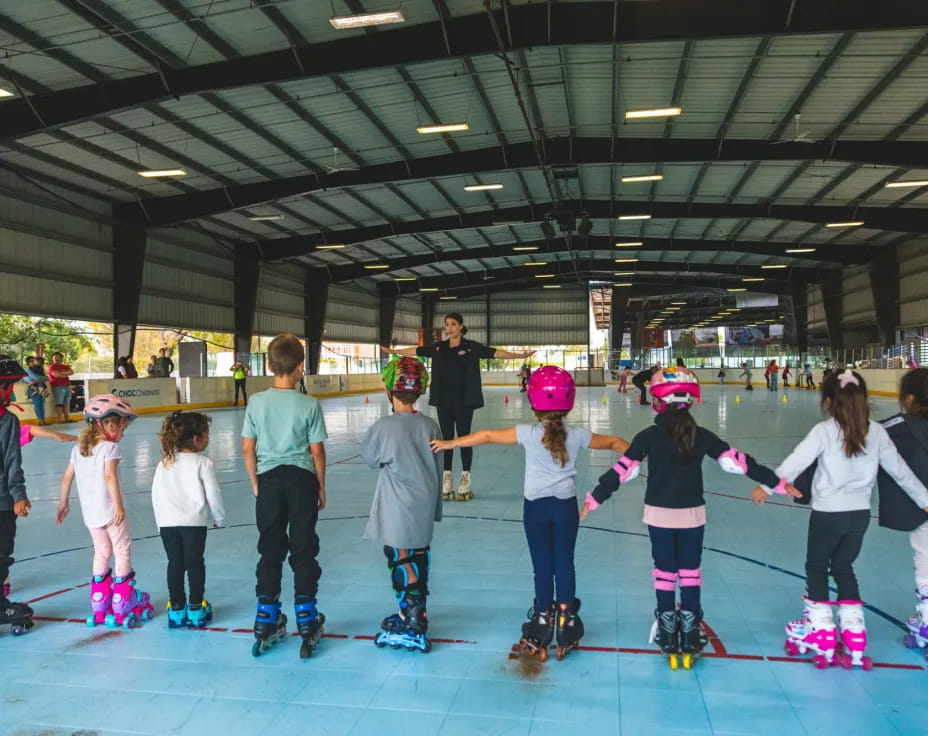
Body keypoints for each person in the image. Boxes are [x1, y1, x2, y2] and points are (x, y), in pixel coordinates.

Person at [581, 366, 790, 669]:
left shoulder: (648, 436)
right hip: (693, 517)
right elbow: (739, 463)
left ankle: (667, 626)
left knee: (664, 572)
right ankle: (690, 628)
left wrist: (594, 498)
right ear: (691, 401)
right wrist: (776, 483)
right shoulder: (700, 435)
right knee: (690, 572)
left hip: (659, 516)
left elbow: (623, 471)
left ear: (657, 400)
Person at [431, 366, 630, 660]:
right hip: (565, 509)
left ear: (534, 402)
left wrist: (450, 443)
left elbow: (486, 435)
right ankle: (566, 620)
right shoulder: (577, 435)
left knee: (542, 567)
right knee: (565, 564)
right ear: (569, 402)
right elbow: (614, 442)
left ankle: (541, 620)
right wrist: (638, 457)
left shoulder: (526, 433)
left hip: (535, 509)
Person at [753, 369, 928, 669]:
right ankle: (855, 632)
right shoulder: (877, 432)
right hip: (858, 516)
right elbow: (901, 472)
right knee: (845, 567)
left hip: (827, 514)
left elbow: (796, 461)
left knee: (817, 567)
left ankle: (821, 629)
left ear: (830, 401)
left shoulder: (824, 431)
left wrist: (767, 486)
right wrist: (925, 501)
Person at [382, 312, 534, 502]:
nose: (450, 328)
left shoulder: (471, 347)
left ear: (461, 326)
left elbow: (495, 352)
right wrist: (394, 352)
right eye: (447, 324)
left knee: (464, 438)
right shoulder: (438, 348)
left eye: (453, 324)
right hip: (444, 401)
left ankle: (465, 478)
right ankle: (447, 478)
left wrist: (521, 355)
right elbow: (417, 350)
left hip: (464, 401)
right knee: (446, 439)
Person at [242, 333, 328, 658]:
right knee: (303, 548)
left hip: (269, 482)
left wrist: (255, 483)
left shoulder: (256, 402)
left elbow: (247, 448)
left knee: (270, 548)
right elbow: (317, 451)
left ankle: (266, 614)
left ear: (268, 365)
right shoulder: (309, 404)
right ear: (301, 367)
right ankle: (306, 615)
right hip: (302, 479)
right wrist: (321, 485)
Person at [361, 357, 442, 653]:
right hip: (424, 505)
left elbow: (370, 458)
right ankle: (417, 611)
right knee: (419, 556)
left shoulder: (384, 426)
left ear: (389, 391)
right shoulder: (430, 425)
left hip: (398, 506)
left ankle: (411, 621)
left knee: (400, 557)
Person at [56, 394, 155, 628]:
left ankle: (99, 603)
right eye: (123, 428)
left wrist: (63, 503)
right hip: (111, 511)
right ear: (110, 424)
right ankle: (122, 602)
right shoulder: (110, 448)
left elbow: (66, 477)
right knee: (121, 550)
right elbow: (110, 476)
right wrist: (119, 505)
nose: (122, 434)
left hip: (90, 513)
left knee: (101, 552)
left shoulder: (79, 449)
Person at [153, 411, 225, 629]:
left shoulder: (164, 462)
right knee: (195, 563)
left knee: (175, 563)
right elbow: (213, 493)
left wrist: (160, 522)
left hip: (167, 522)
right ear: (196, 439)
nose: (208, 438)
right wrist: (219, 517)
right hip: (194, 523)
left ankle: (176, 608)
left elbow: (156, 494)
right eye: (206, 434)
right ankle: (195, 607)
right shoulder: (203, 463)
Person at [873, 369, 928, 652]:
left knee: (926, 558)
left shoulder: (897, 426)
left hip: (923, 509)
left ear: (909, 398)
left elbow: (866, 439)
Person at [0, 356, 35, 634]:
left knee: (2, 555)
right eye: (5, 386)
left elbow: (12, 461)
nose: (10, 392)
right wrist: (17, 495)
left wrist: (17, 494)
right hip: (3, 502)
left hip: (3, 501)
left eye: (10, 386)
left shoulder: (8, 420)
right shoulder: (7, 420)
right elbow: (12, 462)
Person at [47, 352, 73, 423]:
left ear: (61, 358)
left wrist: (62, 373)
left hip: (67, 386)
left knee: (66, 403)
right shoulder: (51, 367)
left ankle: (67, 418)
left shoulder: (65, 366)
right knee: (59, 403)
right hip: (58, 387)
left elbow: (71, 372)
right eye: (55, 357)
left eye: (58, 357)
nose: (56, 359)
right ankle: (60, 419)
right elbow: (56, 375)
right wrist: (65, 373)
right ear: (52, 359)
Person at [24, 356, 50, 425]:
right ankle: (40, 420)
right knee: (38, 405)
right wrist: (44, 378)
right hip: (33, 389)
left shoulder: (38, 369)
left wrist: (42, 379)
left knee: (42, 404)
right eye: (31, 361)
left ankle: (43, 420)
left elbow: (40, 378)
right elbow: (37, 378)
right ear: (28, 363)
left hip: (41, 388)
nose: (34, 362)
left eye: (34, 361)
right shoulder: (28, 370)